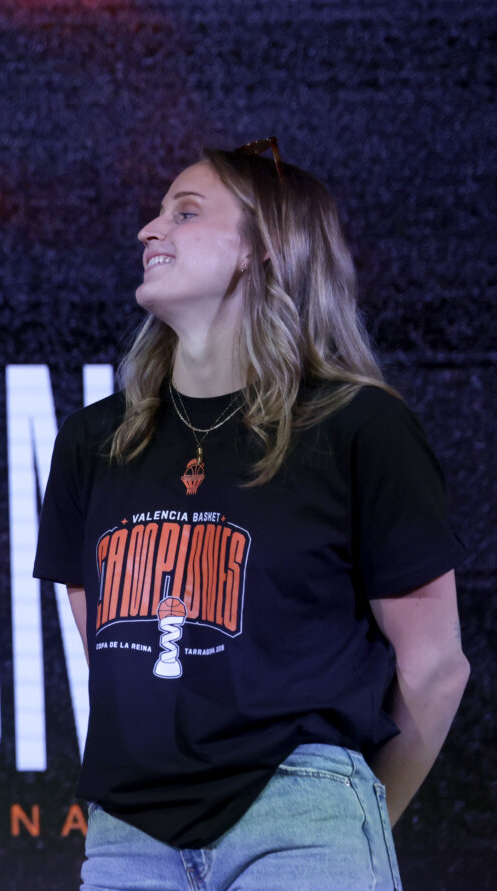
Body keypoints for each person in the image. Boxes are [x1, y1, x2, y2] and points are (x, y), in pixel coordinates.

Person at [33, 140, 468, 890]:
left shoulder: (359, 426)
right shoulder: (92, 440)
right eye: (157, 212)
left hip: (302, 813)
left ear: (264, 248)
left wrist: (350, 818)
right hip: (128, 831)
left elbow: (434, 667)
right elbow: (105, 649)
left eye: (186, 211)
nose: (148, 230)